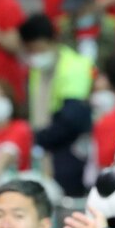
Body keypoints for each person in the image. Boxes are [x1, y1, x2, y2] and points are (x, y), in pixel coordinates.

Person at [19, 15, 93, 197]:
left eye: (37, 48)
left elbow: (73, 117)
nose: (34, 55)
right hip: (46, 145)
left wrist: (38, 138)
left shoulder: (75, 65)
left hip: (70, 147)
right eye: (29, 50)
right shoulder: (38, 69)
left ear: (52, 40)